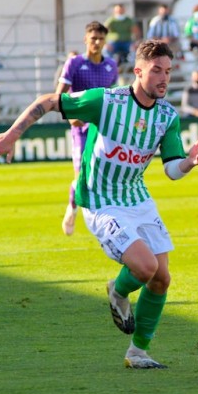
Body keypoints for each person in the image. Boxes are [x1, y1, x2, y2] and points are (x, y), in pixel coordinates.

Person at [0, 40, 198, 369]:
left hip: (137, 197)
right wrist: (12, 135)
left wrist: (189, 162)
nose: (164, 78)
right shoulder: (106, 101)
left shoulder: (166, 117)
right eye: (157, 70)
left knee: (162, 279)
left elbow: (172, 169)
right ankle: (118, 290)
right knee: (145, 268)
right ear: (139, 70)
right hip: (100, 200)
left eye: (168, 72)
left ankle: (138, 352)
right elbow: (48, 101)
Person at [56, 22, 119, 236]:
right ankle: (73, 207)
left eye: (101, 38)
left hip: (102, 128)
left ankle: (107, 219)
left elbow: (114, 97)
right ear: (86, 40)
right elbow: (59, 95)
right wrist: (70, 115)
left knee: (105, 175)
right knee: (82, 174)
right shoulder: (74, 63)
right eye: (93, 38)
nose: (97, 42)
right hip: (81, 129)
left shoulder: (111, 66)